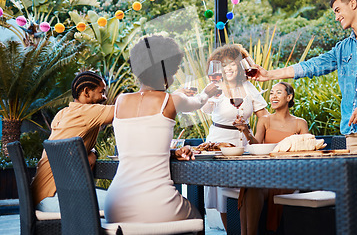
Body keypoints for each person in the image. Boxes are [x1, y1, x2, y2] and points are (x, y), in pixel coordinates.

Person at [252, 0, 357, 235]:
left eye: (338, 10)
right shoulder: (342, 49)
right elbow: (312, 66)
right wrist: (269, 74)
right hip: (353, 131)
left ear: (353, 4)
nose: (336, 16)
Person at [104, 35, 218, 225]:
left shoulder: (120, 101)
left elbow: (142, 146)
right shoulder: (171, 100)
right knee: (197, 218)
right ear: (165, 72)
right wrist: (206, 93)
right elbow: (197, 102)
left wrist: (172, 152)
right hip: (156, 204)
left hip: (115, 204)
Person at [202, 44, 269, 230]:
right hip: (219, 145)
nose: (228, 68)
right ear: (218, 69)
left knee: (245, 190)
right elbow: (204, 108)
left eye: (232, 64)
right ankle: (231, 232)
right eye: (223, 65)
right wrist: (207, 97)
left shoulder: (247, 87)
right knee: (222, 196)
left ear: (239, 66)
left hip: (244, 145)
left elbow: (264, 116)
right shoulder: (215, 87)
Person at [31, 71, 114, 212]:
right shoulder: (87, 112)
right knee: (122, 204)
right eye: (102, 92)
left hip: (39, 197)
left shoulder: (63, 113)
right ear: (86, 92)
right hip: (55, 198)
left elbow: (71, 144)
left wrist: (92, 152)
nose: (105, 97)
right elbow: (125, 110)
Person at [235, 82, 308, 235]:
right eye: (272, 93)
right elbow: (257, 145)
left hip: (289, 176)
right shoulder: (265, 120)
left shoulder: (300, 123)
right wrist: (246, 132)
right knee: (251, 185)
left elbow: (306, 152)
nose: (273, 96)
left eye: (278, 92)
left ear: (289, 97)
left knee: (252, 185)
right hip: (266, 174)